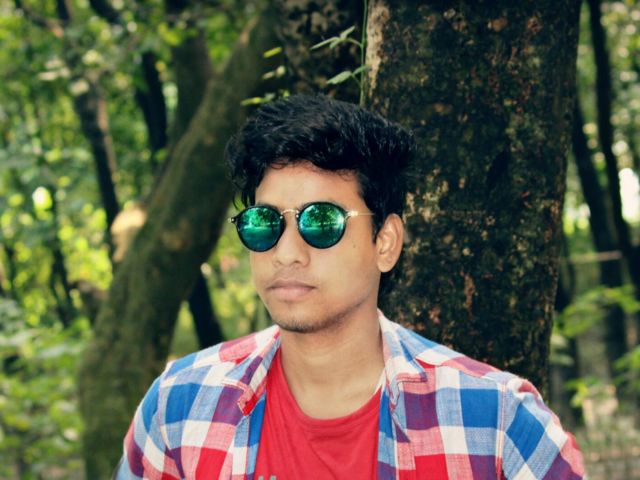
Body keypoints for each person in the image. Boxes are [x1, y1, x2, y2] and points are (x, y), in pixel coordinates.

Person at [115, 94, 584, 479]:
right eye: (264, 223)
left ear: (385, 242)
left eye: (322, 222)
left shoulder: (496, 426)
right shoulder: (180, 407)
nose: (287, 253)